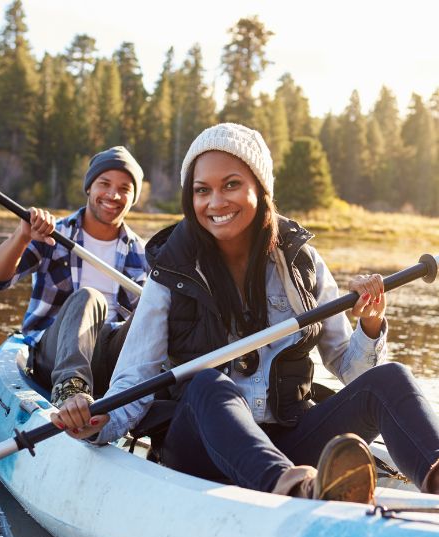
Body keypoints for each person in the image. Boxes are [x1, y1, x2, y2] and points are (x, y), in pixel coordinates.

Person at [50, 122, 439, 502]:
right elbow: (136, 376)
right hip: (201, 448)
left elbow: (350, 370)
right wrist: (100, 422)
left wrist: (369, 326)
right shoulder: (170, 270)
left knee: (390, 379)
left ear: (261, 188)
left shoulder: (302, 262)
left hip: (289, 439)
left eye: (231, 185)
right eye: (203, 190)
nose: (215, 202)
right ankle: (290, 490)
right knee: (207, 384)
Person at [0, 146, 149, 406]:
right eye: (105, 183)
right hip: (54, 354)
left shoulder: (142, 252)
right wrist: (22, 236)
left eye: (125, 188)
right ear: (89, 187)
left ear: (133, 197)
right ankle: (71, 390)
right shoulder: (53, 234)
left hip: (112, 362)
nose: (113, 195)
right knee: (89, 298)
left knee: (154, 309)